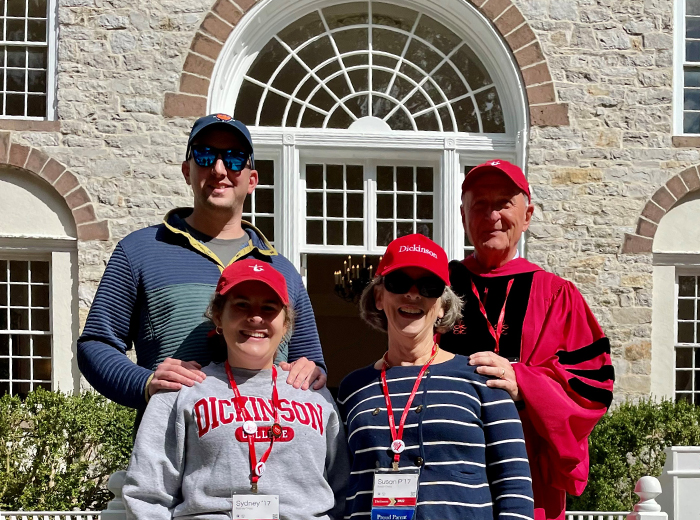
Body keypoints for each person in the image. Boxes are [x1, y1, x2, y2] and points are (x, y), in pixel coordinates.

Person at [77, 114, 325, 419]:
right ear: (187, 171)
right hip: (174, 453)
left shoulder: (281, 269)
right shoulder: (140, 250)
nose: (219, 169)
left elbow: (311, 362)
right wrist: (144, 383)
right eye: (205, 155)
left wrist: (310, 370)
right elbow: (96, 344)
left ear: (252, 180)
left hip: (270, 451)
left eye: (234, 159)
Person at [439, 159, 615, 520]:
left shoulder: (557, 295)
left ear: (528, 214)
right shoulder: (434, 289)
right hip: (443, 468)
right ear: (462, 215)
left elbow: (593, 388)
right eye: (480, 205)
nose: (492, 216)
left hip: (527, 472)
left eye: (504, 203)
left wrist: (524, 380)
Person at [122, 259, 349, 519]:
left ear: (285, 324)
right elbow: (147, 495)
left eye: (269, 308)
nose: (255, 317)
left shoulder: (314, 394)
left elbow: (342, 490)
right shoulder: (181, 391)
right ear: (218, 316)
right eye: (241, 305)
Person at [338, 234, 535, 520]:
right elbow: (340, 485)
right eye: (399, 283)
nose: (413, 294)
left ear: (443, 306)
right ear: (379, 297)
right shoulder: (353, 388)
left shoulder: (481, 379)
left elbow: (514, 486)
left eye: (429, 286)